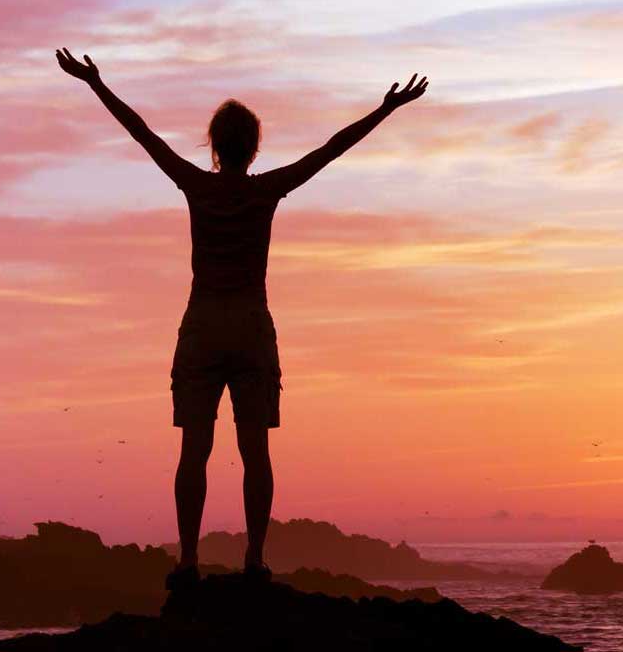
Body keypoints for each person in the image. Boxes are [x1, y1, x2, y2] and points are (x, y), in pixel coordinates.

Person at [56, 47, 428, 589]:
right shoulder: (266, 189)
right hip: (251, 326)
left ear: (213, 145)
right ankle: (254, 559)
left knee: (194, 451)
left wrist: (95, 83)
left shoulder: (196, 184)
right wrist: (386, 108)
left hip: (203, 324)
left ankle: (188, 559)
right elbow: (331, 150)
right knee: (256, 452)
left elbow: (142, 134)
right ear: (253, 147)